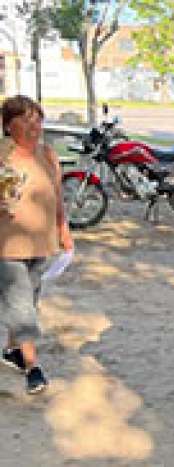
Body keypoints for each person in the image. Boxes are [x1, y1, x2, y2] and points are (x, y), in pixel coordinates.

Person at [0, 95, 74, 394]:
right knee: (21, 304)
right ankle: (33, 366)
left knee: (28, 299)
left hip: (41, 242)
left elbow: (57, 197)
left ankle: (11, 350)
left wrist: (63, 229)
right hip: (7, 244)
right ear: (8, 125)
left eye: (38, 119)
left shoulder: (48, 155)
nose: (34, 125)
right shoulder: (2, 154)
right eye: (26, 119)